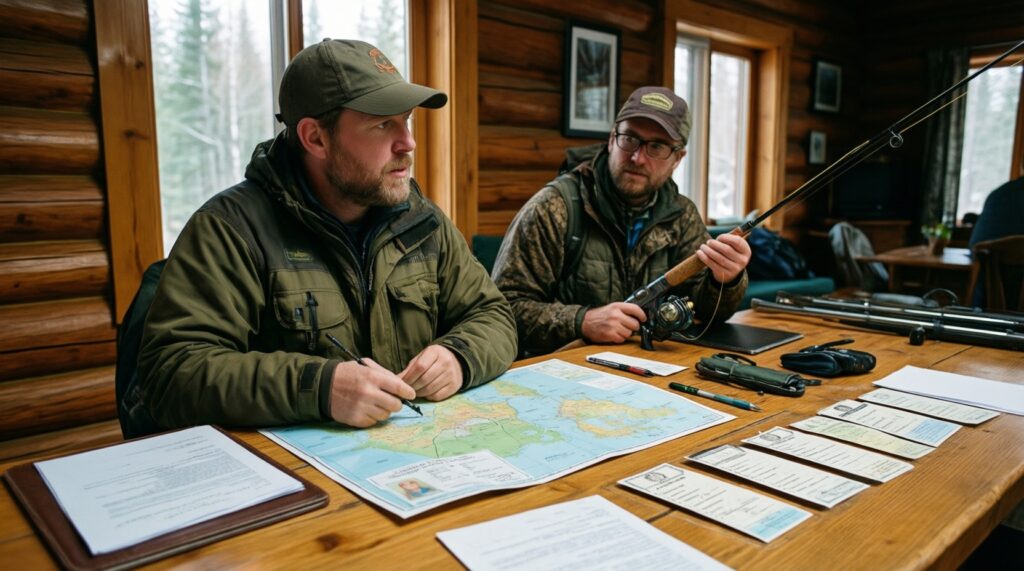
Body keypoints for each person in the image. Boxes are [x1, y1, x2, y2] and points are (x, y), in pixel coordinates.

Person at [136, 39, 517, 430]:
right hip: (295, 476)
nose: (408, 142)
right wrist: (319, 387)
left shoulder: (421, 221)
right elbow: (170, 374)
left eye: (407, 120)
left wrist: (459, 356)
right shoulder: (231, 229)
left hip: (403, 459)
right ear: (315, 138)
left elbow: (494, 315)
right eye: (383, 124)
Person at [492, 86, 751, 357]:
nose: (638, 158)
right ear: (611, 138)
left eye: (657, 146)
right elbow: (502, 310)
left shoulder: (682, 214)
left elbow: (709, 314)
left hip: (647, 370)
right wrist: (583, 321)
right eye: (630, 139)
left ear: (678, 158)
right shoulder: (554, 207)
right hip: (561, 372)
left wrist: (726, 281)